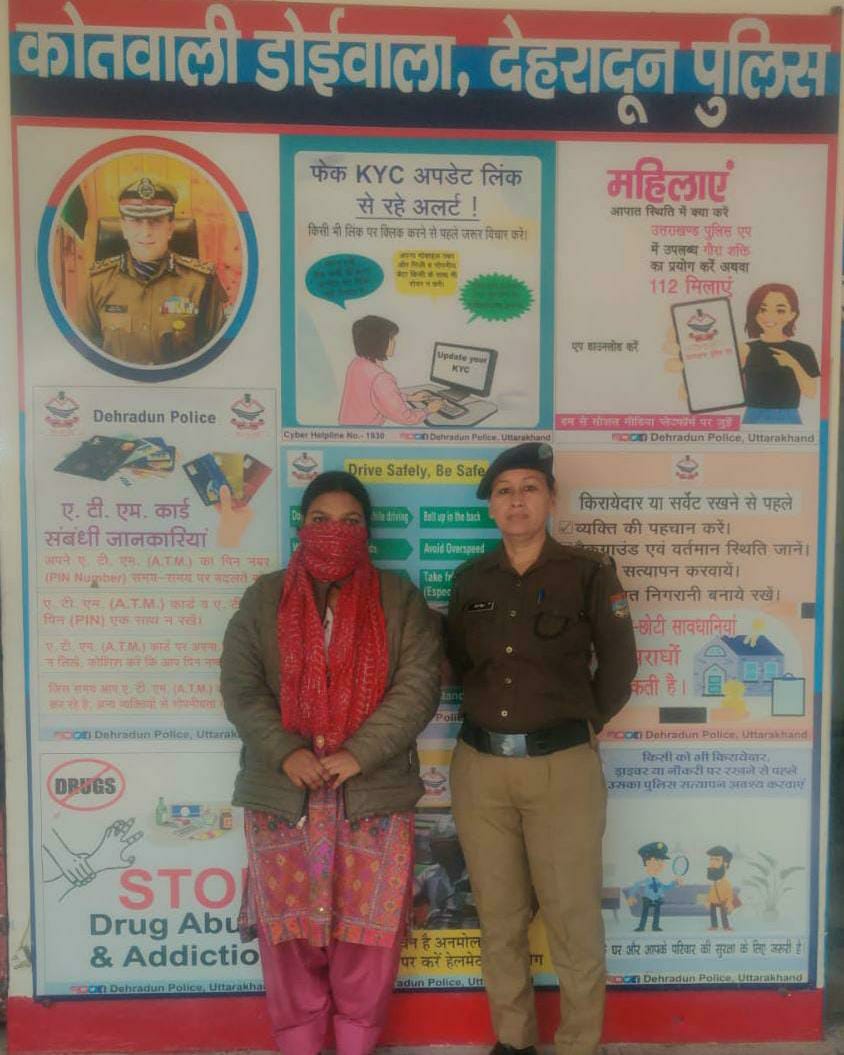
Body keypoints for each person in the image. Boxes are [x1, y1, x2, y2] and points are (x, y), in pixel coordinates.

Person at [221, 470, 441, 1055]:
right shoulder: (264, 598)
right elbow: (241, 686)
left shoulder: (399, 598)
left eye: (350, 521)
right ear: (301, 525)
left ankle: (355, 1045)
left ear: (367, 530)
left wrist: (358, 753)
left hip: (371, 793)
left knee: (368, 937)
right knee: (289, 934)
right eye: (321, 519)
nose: (334, 531)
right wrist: (285, 750)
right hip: (283, 792)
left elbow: (418, 686)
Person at [446, 442, 637, 1055]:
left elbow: (619, 667)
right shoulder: (470, 579)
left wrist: (576, 725)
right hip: (480, 769)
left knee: (572, 916)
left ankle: (579, 1043)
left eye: (530, 487)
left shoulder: (588, 572)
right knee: (499, 917)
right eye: (504, 491)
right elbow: (457, 661)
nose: (517, 501)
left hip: (562, 770)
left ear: (551, 499)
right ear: (491, 507)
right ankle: (514, 1040)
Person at [77, 177, 228, 366]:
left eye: (156, 221)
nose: (146, 232)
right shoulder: (97, 282)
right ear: (123, 227)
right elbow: (83, 354)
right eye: (135, 221)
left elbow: (218, 356)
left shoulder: (201, 282)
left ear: (170, 227)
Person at [338, 315, 443, 425]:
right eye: (391, 338)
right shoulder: (381, 378)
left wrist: (410, 398)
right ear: (378, 342)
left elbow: (381, 396)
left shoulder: (357, 363)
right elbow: (406, 417)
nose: (395, 342)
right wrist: (428, 410)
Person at [740, 283, 819, 425]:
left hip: (788, 417)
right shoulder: (745, 349)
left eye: (780, 311)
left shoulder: (803, 350)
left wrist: (793, 364)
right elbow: (735, 392)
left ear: (792, 315)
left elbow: (811, 392)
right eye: (763, 309)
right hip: (753, 416)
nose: (769, 316)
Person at [625, 841, 681, 933]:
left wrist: (674, 883)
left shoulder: (658, 881)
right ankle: (641, 926)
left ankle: (655, 926)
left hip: (657, 899)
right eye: (657, 860)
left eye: (662, 861)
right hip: (647, 899)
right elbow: (636, 885)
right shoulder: (645, 880)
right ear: (647, 862)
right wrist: (631, 896)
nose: (661, 864)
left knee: (656, 913)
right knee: (645, 913)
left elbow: (665, 887)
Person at [705, 845, 735, 931]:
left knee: (723, 913)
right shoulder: (714, 882)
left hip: (723, 901)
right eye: (711, 859)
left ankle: (726, 926)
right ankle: (714, 925)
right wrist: (708, 901)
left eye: (717, 860)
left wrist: (729, 903)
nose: (712, 863)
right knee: (712, 913)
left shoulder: (726, 883)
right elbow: (711, 893)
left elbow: (729, 895)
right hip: (714, 901)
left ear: (725, 864)